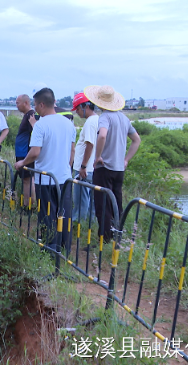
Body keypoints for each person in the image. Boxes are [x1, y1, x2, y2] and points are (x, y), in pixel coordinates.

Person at [14, 87, 75, 251]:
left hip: (46, 178)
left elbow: (34, 152)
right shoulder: (68, 124)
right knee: (64, 213)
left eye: (35, 104)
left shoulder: (40, 125)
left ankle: (50, 249)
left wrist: (22, 163)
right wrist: (66, 167)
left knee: (48, 215)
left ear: (41, 105)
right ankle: (65, 248)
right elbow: (72, 151)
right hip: (64, 178)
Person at [85, 85, 141, 245]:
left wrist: (98, 156)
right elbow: (137, 140)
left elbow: (102, 135)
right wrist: (126, 159)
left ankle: (105, 240)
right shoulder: (124, 118)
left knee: (103, 206)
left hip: (105, 168)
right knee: (116, 204)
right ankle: (117, 236)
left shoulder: (105, 117)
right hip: (118, 169)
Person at [71, 92, 99, 224]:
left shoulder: (90, 122)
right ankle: (89, 225)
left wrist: (83, 166)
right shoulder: (96, 120)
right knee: (91, 202)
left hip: (85, 169)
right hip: (91, 168)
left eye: (77, 108)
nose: (76, 112)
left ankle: (79, 225)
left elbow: (90, 144)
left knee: (81, 200)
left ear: (86, 106)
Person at [14, 94, 39, 208]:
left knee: (28, 179)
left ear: (26, 103)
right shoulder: (27, 115)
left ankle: (29, 205)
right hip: (21, 152)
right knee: (25, 179)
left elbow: (37, 132)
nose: (16, 106)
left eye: (18, 103)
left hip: (25, 153)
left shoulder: (31, 115)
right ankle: (27, 204)